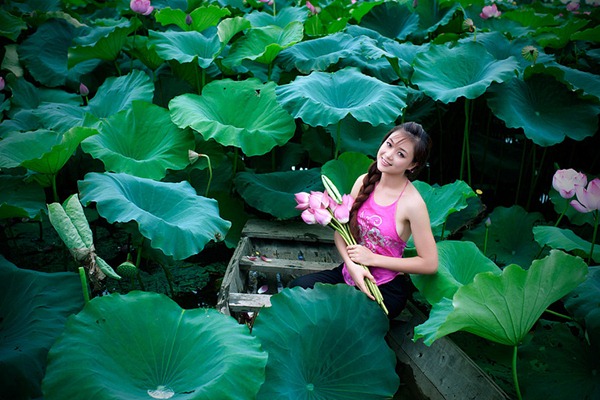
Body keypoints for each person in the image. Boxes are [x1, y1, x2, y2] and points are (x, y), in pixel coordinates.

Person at [289, 122, 438, 319]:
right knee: (297, 289)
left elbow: (429, 263)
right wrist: (353, 266)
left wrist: (373, 259)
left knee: (341, 319)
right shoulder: (363, 181)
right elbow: (342, 234)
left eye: (401, 154)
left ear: (413, 165)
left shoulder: (413, 204)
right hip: (349, 274)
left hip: (383, 290)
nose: (388, 154)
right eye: (389, 144)